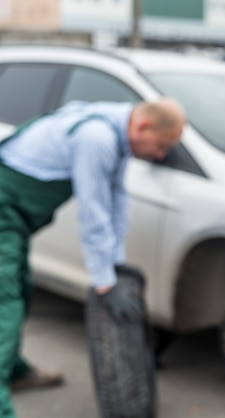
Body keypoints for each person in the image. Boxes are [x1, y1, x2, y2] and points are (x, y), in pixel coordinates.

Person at [0, 98, 186, 418]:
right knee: (5, 305)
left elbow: (116, 199)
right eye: (160, 145)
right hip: (4, 213)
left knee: (22, 289)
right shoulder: (96, 137)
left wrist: (115, 263)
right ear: (143, 126)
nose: (160, 155)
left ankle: (16, 372)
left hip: (12, 220)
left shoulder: (116, 129)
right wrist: (103, 283)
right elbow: (93, 213)